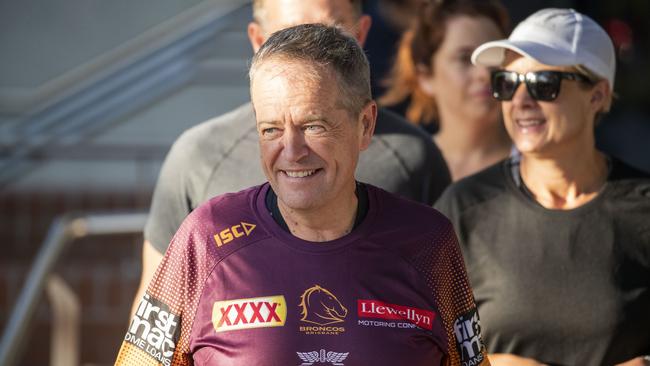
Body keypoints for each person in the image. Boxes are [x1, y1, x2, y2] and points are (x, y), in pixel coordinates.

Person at [115, 24, 488, 365]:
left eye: (313, 126)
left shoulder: (429, 243)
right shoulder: (206, 238)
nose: (291, 152)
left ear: (366, 124)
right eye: (271, 130)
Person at [131, 0, 451, 317]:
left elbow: (453, 320)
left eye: (332, 32)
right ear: (258, 41)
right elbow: (155, 322)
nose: (311, 49)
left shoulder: (412, 158)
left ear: (362, 32)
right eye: (290, 34)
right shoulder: (198, 157)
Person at [435, 8, 650, 366]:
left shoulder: (642, 207)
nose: (520, 101)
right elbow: (413, 339)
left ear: (597, 95)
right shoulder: (464, 208)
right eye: (506, 83)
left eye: (543, 84)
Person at [379, 0, 512, 181]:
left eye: (494, 56)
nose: (485, 73)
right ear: (425, 76)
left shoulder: (537, 161)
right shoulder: (405, 169)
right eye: (465, 58)